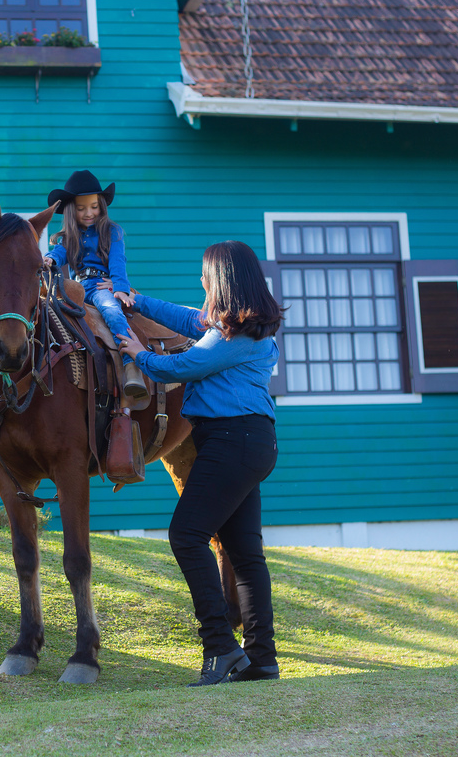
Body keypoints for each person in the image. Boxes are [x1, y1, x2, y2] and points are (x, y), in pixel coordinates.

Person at [116, 240, 283, 686]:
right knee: (246, 554)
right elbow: (187, 318)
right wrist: (137, 301)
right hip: (244, 442)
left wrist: (137, 353)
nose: (201, 281)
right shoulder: (234, 324)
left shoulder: (237, 335)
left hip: (234, 440)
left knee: (186, 535)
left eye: (207, 275)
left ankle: (220, 647)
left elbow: (184, 366)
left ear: (223, 280)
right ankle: (261, 659)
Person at [42, 169, 148, 404]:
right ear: (72, 211)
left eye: (93, 206)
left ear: (101, 205)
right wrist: (50, 259)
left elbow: (118, 261)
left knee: (111, 311)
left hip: (101, 286)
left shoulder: (112, 231)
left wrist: (120, 287)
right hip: (76, 289)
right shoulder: (69, 236)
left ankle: (132, 365)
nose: (88, 213)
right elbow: (60, 253)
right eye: (81, 208)